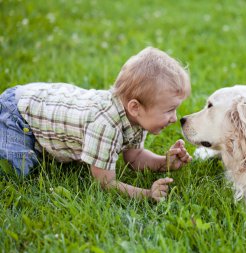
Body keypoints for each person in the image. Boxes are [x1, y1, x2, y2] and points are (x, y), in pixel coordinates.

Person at [0, 47, 192, 201]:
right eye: (169, 110)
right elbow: (104, 182)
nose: (175, 118)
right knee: (16, 173)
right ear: (135, 107)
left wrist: (164, 163)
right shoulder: (105, 125)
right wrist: (147, 194)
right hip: (18, 114)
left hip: (38, 103)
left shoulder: (136, 117)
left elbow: (135, 157)